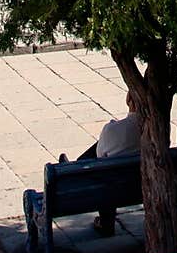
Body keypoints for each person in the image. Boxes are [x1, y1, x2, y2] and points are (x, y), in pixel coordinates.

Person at [59, 89, 141, 236]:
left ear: (128, 99)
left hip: (112, 186)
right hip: (138, 184)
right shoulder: (157, 131)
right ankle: (70, 166)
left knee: (103, 165)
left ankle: (69, 168)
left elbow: (99, 157)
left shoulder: (113, 129)